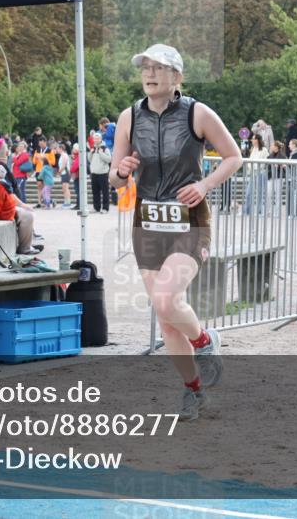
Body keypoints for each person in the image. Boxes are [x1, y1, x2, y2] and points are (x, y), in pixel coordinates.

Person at [109, 43, 242, 420]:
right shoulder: (129, 118)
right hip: (148, 223)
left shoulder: (197, 113)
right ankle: (194, 391)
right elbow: (115, 179)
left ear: (177, 77)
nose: (150, 74)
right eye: (145, 67)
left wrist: (203, 185)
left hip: (190, 221)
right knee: (166, 320)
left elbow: (234, 157)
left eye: (160, 68)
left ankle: (203, 341)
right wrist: (122, 171)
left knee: (167, 300)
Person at [89, 131, 112, 213]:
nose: (96, 140)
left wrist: (101, 154)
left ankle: (105, 208)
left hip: (103, 174)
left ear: (101, 139)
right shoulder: (93, 148)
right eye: (95, 138)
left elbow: (109, 159)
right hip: (94, 173)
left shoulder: (105, 148)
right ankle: (96, 207)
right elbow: (89, 160)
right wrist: (91, 153)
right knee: (95, 192)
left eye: (98, 138)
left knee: (105, 192)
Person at [57, 143, 73, 208]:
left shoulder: (64, 155)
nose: (57, 150)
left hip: (66, 173)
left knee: (66, 188)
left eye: (58, 148)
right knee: (64, 188)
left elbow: (64, 165)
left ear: (61, 149)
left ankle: (68, 202)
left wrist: (59, 171)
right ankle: (66, 201)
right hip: (63, 173)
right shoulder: (62, 155)